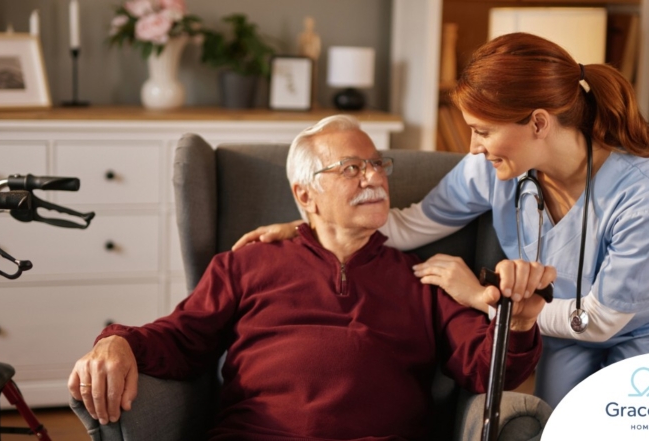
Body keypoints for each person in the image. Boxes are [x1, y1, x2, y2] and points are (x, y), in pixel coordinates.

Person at [232, 32, 649, 409]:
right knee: (562, 427)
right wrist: (312, 226)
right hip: (564, 337)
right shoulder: (492, 169)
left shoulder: (638, 193)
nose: (472, 146)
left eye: (483, 131)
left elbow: (601, 319)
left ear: (538, 123)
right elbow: (409, 226)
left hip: (635, 335)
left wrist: (481, 298)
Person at [69, 114, 548, 440]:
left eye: (377, 164)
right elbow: (181, 338)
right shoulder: (245, 264)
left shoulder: (424, 278)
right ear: (306, 194)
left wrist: (521, 322)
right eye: (351, 168)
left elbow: (486, 368)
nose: (374, 178)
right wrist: (117, 342)